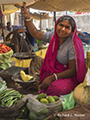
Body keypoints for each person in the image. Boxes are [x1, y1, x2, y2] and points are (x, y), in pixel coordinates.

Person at [21, 5, 87, 97]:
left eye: (67, 27)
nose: (63, 29)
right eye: (61, 25)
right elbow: (35, 33)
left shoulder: (73, 44)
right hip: (53, 70)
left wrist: (52, 77)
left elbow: (73, 70)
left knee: (56, 89)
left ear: (72, 30)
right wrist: (28, 17)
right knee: (35, 60)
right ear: (56, 25)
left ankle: (42, 86)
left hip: (66, 75)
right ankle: (41, 84)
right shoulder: (53, 35)